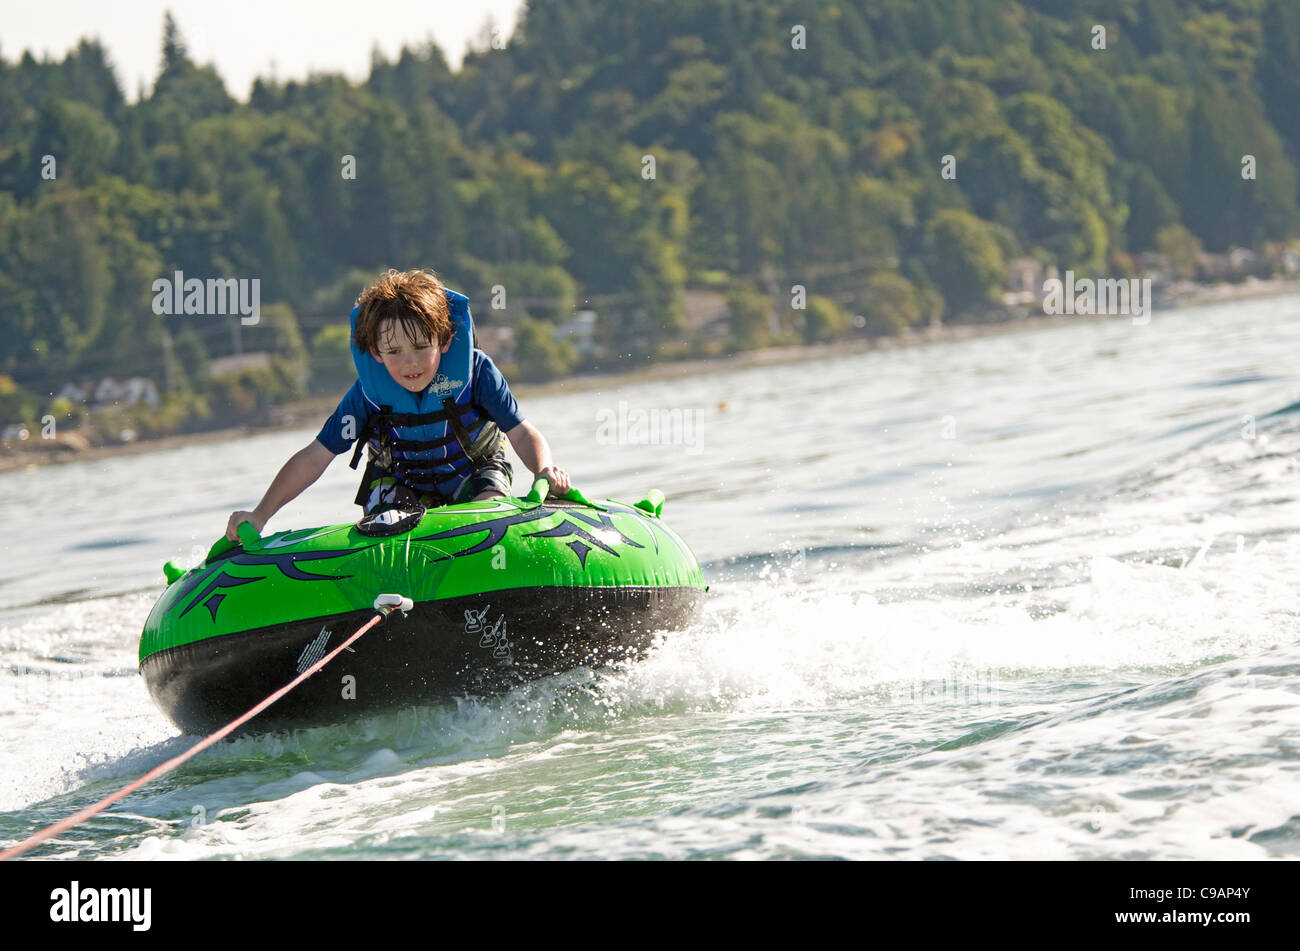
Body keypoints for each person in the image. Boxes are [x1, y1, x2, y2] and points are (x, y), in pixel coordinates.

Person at [225, 269, 569, 542]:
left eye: (421, 346)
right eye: (394, 352)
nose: (411, 364)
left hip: (474, 475)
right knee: (385, 527)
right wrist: (261, 514)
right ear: (375, 353)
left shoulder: (478, 374)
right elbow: (316, 456)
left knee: (487, 514)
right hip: (402, 485)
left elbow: (522, 432)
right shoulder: (366, 396)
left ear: (445, 340)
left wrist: (544, 470)